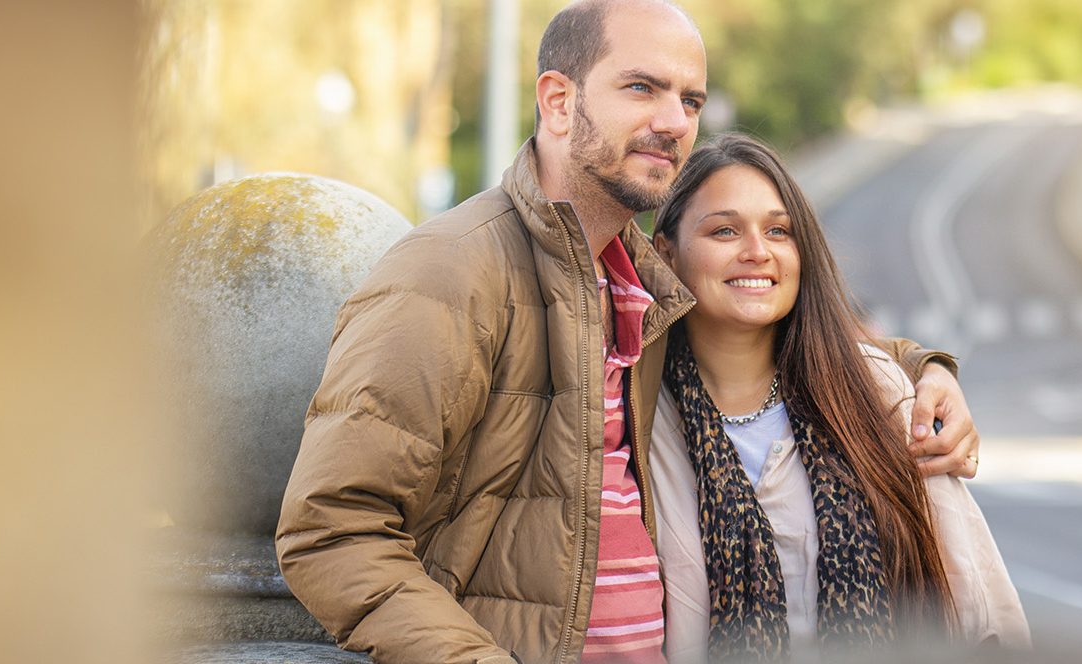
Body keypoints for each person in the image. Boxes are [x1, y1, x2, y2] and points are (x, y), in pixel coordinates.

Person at [275, 1, 981, 662]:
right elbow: (331, 531)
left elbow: (784, 332)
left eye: (691, 100)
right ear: (559, 101)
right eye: (642, 88)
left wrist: (926, 368)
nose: (674, 122)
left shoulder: (645, 286)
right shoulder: (450, 272)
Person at [648, 133, 1031, 663]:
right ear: (665, 253)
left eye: (779, 231)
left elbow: (981, 606)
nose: (757, 251)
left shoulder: (876, 392)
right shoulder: (636, 416)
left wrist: (931, 366)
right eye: (725, 230)